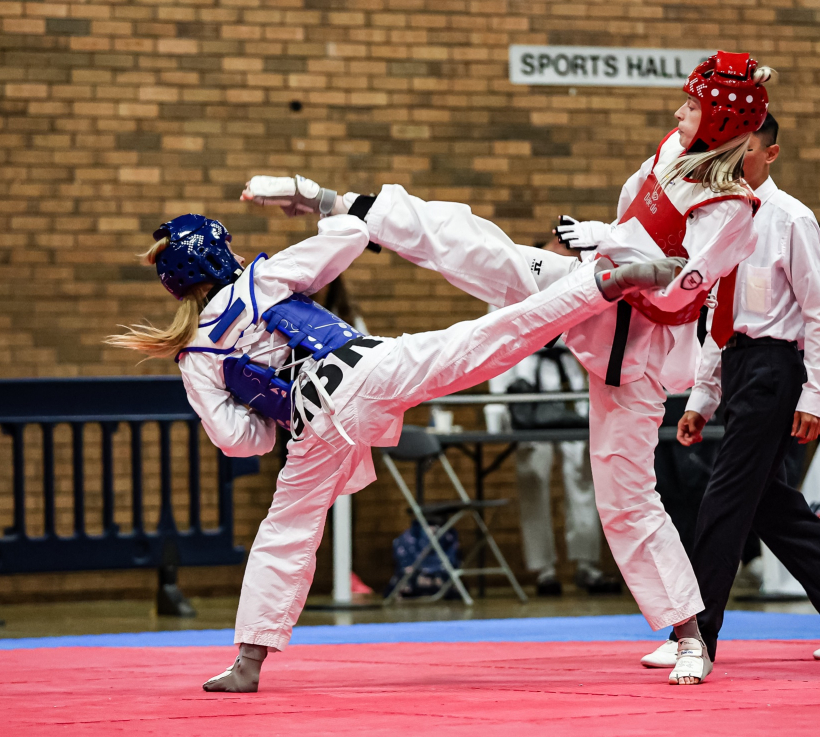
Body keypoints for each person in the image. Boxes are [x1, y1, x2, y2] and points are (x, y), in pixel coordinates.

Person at [247, 50, 774, 686]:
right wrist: (603, 239)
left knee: (625, 495)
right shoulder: (671, 149)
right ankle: (337, 201)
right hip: (591, 282)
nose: (679, 111)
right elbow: (631, 215)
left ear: (720, 121)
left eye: (691, 106)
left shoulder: (732, 209)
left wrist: (614, 248)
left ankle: (691, 635)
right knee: (482, 249)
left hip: (636, 343)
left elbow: (675, 290)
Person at [106, 211, 684, 692]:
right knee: (491, 339)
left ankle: (247, 662)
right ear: (217, 254)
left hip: (314, 425)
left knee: (285, 532)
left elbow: (239, 442)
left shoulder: (195, 354)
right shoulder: (265, 277)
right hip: (366, 369)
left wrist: (267, 410)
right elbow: (350, 235)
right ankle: (600, 286)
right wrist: (331, 209)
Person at [640, 112, 820, 674]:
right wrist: (702, 399)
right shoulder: (720, 218)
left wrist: (815, 396)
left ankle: (695, 635)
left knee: (724, 499)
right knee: (767, 502)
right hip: (738, 365)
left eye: (746, 149)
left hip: (777, 368)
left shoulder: (791, 219)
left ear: (770, 154)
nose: (733, 159)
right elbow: (719, 315)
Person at [486, 241, 619, 597]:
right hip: (527, 391)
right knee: (534, 478)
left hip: (570, 389)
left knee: (582, 478)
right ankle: (544, 569)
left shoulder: (580, 279)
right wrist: (496, 413)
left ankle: (587, 565)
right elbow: (493, 346)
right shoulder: (510, 286)